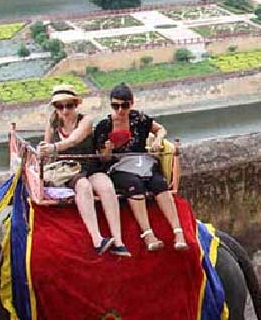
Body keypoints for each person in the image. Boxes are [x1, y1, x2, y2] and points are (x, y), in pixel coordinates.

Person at [93, 83, 187, 252]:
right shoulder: (104, 126)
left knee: (159, 183)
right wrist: (108, 148)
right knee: (134, 185)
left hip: (142, 161)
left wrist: (158, 140)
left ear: (132, 103)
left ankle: (178, 231)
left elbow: (160, 129)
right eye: (116, 106)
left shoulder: (140, 119)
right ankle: (147, 233)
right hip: (118, 166)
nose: (120, 110)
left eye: (125, 105)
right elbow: (103, 158)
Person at [38, 85, 130, 256]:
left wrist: (52, 147)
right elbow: (48, 155)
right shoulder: (52, 125)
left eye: (69, 106)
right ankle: (97, 239)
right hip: (68, 169)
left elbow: (73, 140)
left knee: (106, 186)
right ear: (55, 109)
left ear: (75, 105)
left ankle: (118, 241)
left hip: (89, 165)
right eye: (60, 107)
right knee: (83, 186)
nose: (65, 111)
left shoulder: (85, 121)